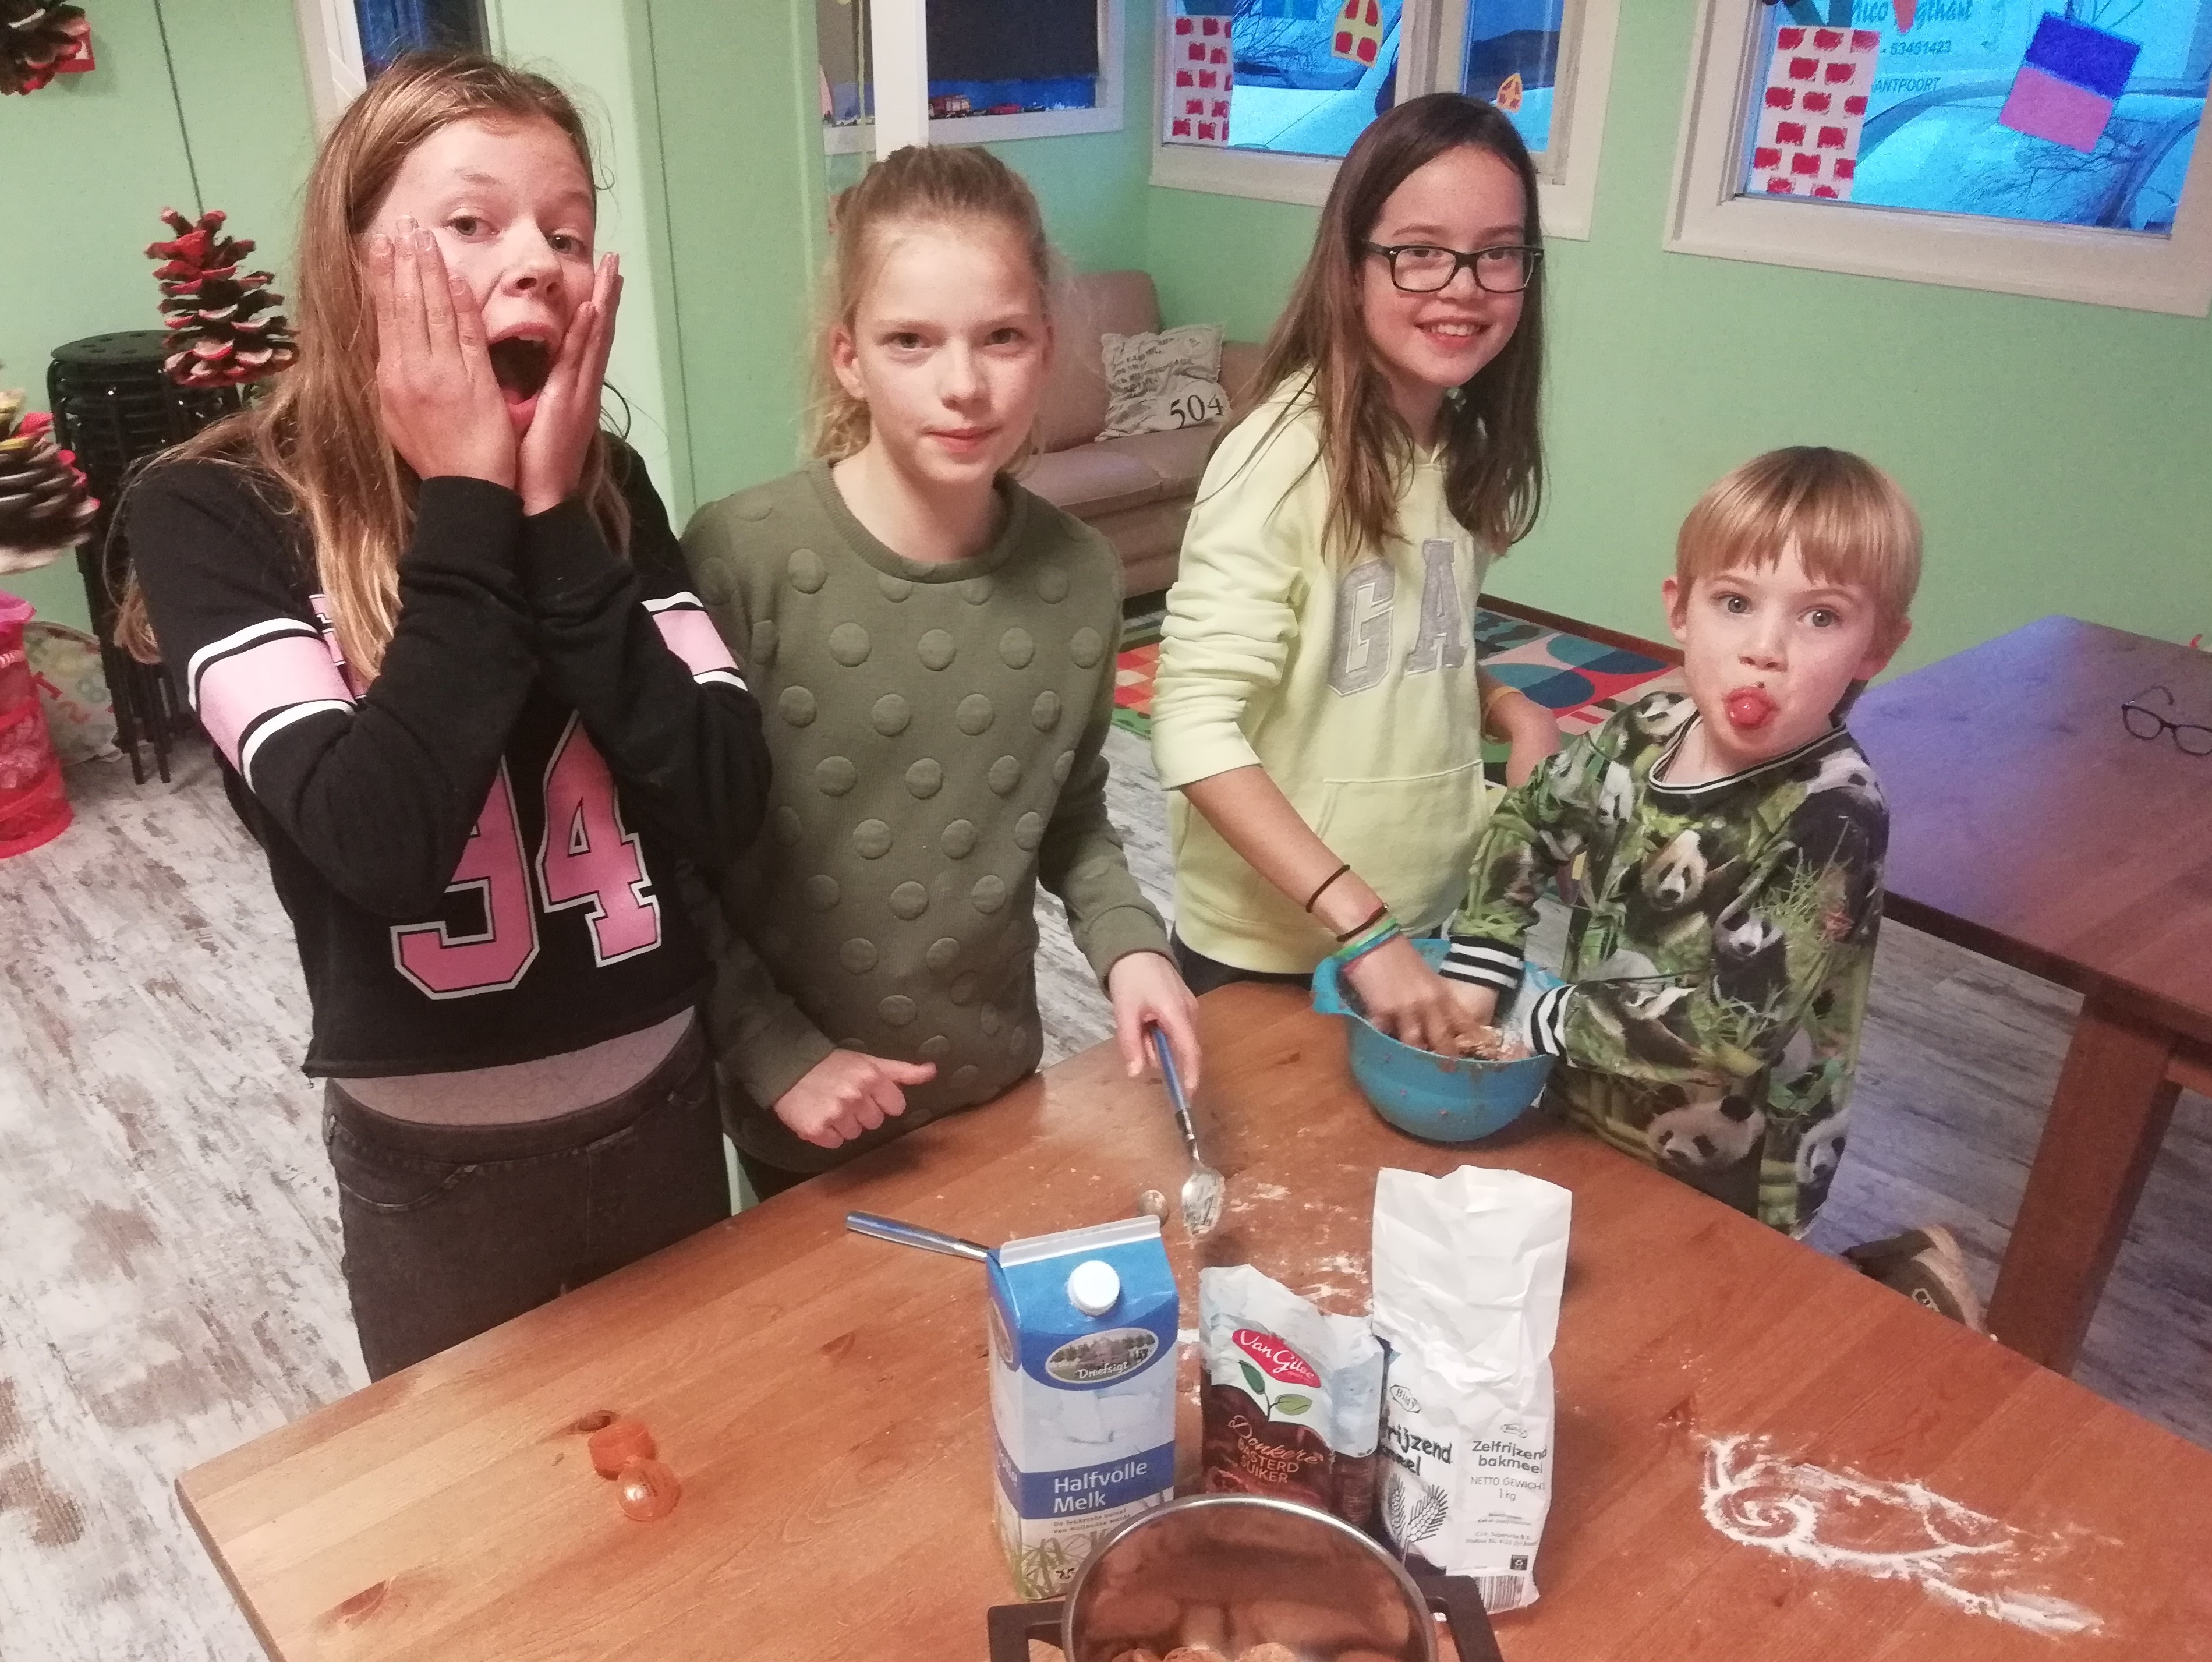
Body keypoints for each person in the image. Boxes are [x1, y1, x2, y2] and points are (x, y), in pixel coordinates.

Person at [118, 55, 770, 1378]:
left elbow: (724, 799)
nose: (536, 261)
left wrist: (555, 522)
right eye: (473, 222)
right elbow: (379, 843)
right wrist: (469, 503)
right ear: (353, 262)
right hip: (437, 1168)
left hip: (663, 1101)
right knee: (477, 1498)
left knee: (693, 1458)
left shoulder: (605, 491)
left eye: (568, 233)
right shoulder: (214, 513)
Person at [683, 145, 1198, 1194]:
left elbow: (1069, 810)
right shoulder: (742, 556)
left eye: (1001, 337)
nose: (963, 386)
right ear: (848, 358)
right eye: (910, 342)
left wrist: (1131, 945)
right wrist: (776, 1054)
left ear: (1047, 348)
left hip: (997, 1084)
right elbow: (669, 853)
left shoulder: (1081, 574)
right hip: (801, 1107)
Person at [1436, 448, 1981, 1323]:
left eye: (1820, 617)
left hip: (1737, 1165)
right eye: (1735, 603)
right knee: (1591, 1307)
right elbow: (1528, 820)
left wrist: (1528, 1016)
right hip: (1590, 1091)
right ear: (1680, 610)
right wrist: (1482, 959)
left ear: (1876, 648)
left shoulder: (1833, 816)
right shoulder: (1646, 725)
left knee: (1700, 1335)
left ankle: (1896, 1286)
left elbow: (1727, 1032)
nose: (1765, 650)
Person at [1148, 94, 1564, 1055]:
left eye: (1498, 254)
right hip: (1276, 947)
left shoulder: (1459, 446)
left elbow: (1396, 648)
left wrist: (1511, 711)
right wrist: (1363, 926)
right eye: (1419, 251)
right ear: (1351, 266)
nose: (1463, 287)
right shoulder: (1280, 459)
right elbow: (1192, 726)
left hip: (1424, 916)